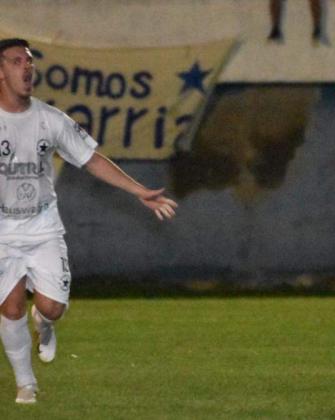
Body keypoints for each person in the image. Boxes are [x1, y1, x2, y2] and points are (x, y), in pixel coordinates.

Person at [0, 38, 177, 404]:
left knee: (52, 307)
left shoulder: (50, 120)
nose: (27, 68)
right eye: (17, 61)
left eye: (29, 61)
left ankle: (44, 323)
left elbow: (91, 158)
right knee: (9, 305)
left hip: (43, 226)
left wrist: (138, 191)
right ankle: (26, 383)